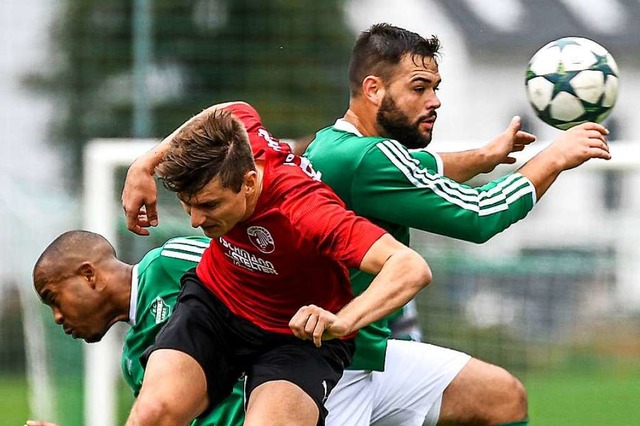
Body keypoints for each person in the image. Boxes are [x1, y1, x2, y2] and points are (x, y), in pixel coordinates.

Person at [122, 24, 611, 426]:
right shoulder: (361, 164)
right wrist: (554, 157)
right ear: (373, 89)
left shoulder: (337, 148)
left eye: (436, 88)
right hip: (332, 358)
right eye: (419, 88)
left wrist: (483, 157)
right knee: (163, 410)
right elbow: (480, 216)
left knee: (502, 398)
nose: (434, 100)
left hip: (361, 347)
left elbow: (413, 175)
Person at [118, 101, 432, 425]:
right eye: (188, 205)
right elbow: (227, 110)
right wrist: (146, 163)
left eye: (209, 205)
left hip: (296, 338)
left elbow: (409, 267)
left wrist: (342, 321)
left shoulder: (307, 211)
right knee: (153, 415)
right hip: (218, 303)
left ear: (250, 183)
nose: (196, 220)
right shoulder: (235, 139)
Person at [28, 233, 244, 426]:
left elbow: (257, 276)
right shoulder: (132, 360)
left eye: (54, 299)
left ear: (88, 275)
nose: (57, 317)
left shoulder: (169, 262)